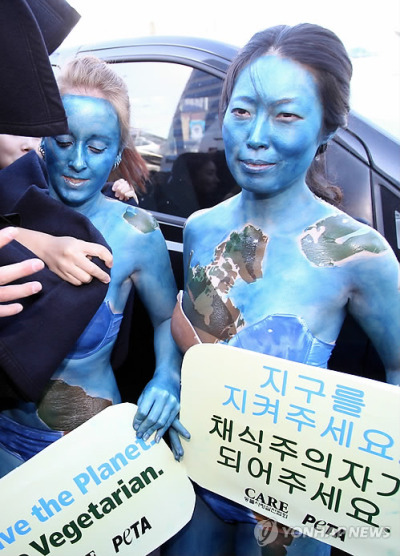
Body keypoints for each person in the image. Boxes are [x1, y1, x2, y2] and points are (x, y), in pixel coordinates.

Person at [165, 23, 400, 556]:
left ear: (327, 130)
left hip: (291, 510)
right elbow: (190, 351)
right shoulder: (201, 229)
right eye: (242, 111)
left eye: (286, 115)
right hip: (195, 483)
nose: (255, 136)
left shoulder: (356, 253)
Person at [0, 55, 188, 477]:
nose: (79, 162)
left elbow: (166, 319)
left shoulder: (135, 233)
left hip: (95, 446)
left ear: (118, 151)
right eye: (65, 142)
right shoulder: (9, 209)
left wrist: (166, 377)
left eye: (98, 147)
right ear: (43, 140)